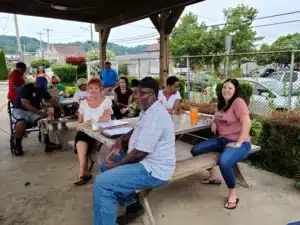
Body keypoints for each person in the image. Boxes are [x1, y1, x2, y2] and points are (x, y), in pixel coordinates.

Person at [93, 77, 176, 225]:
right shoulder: (148, 110)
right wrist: (121, 140)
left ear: (153, 95)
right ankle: (133, 203)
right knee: (105, 166)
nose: (137, 96)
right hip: (144, 161)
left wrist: (118, 166)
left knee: (102, 183)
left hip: (154, 169)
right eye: (136, 92)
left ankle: (117, 208)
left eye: (141, 93)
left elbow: (138, 154)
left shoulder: (155, 116)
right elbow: (137, 129)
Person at [190, 78, 251, 210]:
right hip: (222, 140)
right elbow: (218, 116)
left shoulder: (238, 102)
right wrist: (213, 122)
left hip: (240, 143)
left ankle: (232, 193)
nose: (226, 90)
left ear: (235, 90)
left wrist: (238, 143)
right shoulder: (222, 102)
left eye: (230, 88)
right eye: (224, 87)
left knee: (224, 162)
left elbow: (247, 123)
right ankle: (213, 176)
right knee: (196, 150)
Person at [74, 77, 113, 186]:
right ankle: (83, 170)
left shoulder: (106, 100)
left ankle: (84, 171)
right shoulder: (84, 102)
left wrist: (89, 124)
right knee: (81, 134)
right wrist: (80, 124)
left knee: (83, 134)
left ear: (101, 89)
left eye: (96, 87)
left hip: (102, 130)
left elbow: (105, 119)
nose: (93, 90)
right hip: (87, 131)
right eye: (90, 88)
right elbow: (80, 120)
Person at [12, 77, 57, 156]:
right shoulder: (25, 89)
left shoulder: (42, 89)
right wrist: (40, 112)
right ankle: (17, 146)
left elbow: (49, 99)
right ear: (36, 84)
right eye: (40, 87)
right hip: (20, 110)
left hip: (33, 111)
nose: (41, 89)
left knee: (43, 122)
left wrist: (55, 102)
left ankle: (48, 143)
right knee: (21, 122)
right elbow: (26, 104)